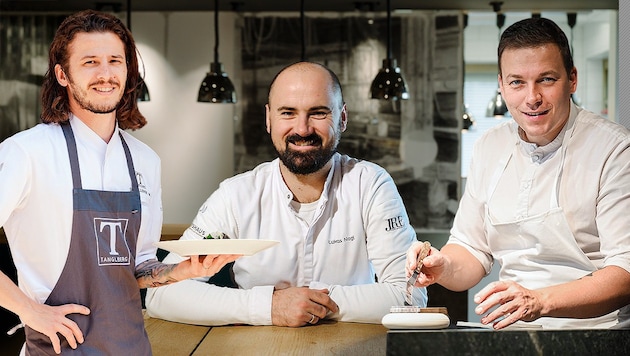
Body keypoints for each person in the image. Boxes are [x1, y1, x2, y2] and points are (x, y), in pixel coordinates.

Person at [0, 10, 237, 355]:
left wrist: (183, 270)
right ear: (62, 75)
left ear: (128, 71)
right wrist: (29, 310)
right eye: (90, 62)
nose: (106, 73)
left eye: (115, 61)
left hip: (130, 345)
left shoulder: (145, 160)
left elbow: (137, 268)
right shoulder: (26, 152)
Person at [145, 61, 426, 327]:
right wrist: (270, 307)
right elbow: (163, 294)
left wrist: (307, 303)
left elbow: (410, 296)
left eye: (318, 112)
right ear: (269, 119)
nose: (302, 129)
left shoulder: (371, 184)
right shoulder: (236, 195)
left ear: (342, 119)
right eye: (287, 113)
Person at [406, 17, 630, 330]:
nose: (532, 97)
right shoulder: (489, 145)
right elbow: (471, 249)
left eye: (547, 79)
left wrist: (540, 301)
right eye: (517, 82)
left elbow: (626, 272)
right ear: (501, 84)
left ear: (573, 79)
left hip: (597, 335)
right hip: (511, 332)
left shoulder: (614, 148)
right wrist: (443, 266)